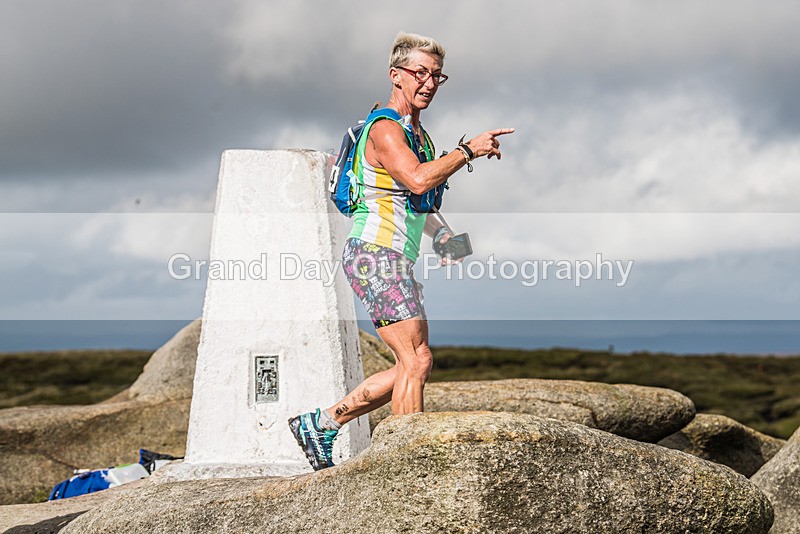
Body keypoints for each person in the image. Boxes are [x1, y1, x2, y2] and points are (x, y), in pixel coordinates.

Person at [289, 32, 514, 470]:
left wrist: (445, 237)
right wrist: (467, 149)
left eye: (437, 76)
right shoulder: (386, 129)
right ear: (396, 75)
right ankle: (406, 464)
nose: (429, 83)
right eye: (420, 73)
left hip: (394, 258)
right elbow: (416, 179)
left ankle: (322, 423)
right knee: (418, 358)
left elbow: (416, 201)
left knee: (411, 364)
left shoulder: (418, 135)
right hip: (376, 254)